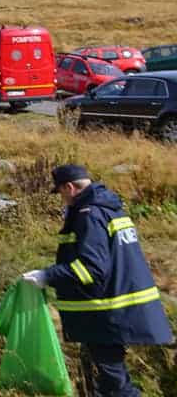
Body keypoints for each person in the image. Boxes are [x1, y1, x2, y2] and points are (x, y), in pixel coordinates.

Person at [22, 165, 173, 397]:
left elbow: (91, 269)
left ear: (70, 187)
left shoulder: (89, 215)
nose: (62, 199)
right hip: (120, 310)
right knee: (103, 381)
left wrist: (47, 276)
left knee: (113, 385)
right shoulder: (111, 209)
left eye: (61, 193)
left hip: (107, 314)